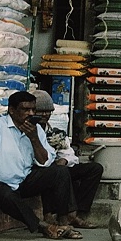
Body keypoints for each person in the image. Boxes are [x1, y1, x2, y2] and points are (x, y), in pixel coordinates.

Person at [0, 90, 81, 239]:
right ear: (12, 110)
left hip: (22, 181)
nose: (31, 113)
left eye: (33, 109)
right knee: (5, 193)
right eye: (25, 109)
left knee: (60, 172)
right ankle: (44, 227)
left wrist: (34, 139)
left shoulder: (36, 129)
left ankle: (63, 222)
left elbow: (45, 162)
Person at [34, 90, 104, 225]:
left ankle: (79, 212)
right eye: (40, 111)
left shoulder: (55, 132)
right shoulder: (29, 130)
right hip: (42, 169)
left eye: (48, 111)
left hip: (60, 166)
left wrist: (64, 160)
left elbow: (70, 154)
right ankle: (53, 214)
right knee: (53, 171)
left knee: (95, 169)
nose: (45, 115)